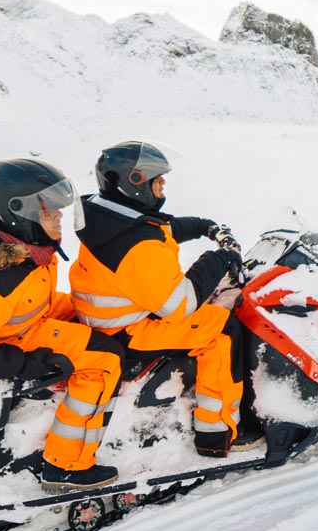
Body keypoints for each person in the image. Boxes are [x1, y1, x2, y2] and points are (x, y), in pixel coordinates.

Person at [0, 157, 125, 490]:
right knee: (104, 358)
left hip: (23, 322)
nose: (59, 216)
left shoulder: (23, 248)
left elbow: (29, 302)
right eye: (48, 211)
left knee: (97, 317)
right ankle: (66, 464)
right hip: (8, 342)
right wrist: (33, 363)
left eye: (58, 208)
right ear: (20, 216)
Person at [69, 141, 263, 458]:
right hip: (126, 329)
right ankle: (218, 432)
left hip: (108, 313)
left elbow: (159, 229)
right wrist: (219, 259)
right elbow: (181, 305)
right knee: (222, 328)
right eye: (156, 179)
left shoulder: (106, 216)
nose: (162, 184)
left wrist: (203, 227)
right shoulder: (138, 247)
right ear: (135, 183)